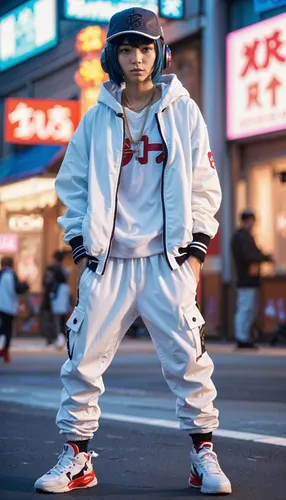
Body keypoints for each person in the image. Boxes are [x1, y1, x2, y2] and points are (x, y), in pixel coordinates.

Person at [35, 7, 231, 495]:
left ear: (160, 52)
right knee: (82, 361)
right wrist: (83, 253)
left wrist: (195, 254)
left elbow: (205, 186)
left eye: (145, 47)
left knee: (189, 359)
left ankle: (203, 455)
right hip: (109, 260)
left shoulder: (184, 112)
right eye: (126, 48)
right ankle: (78, 459)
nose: (137, 58)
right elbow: (72, 186)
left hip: (167, 262)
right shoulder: (97, 118)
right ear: (112, 56)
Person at [231, 209, 272, 348]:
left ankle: (245, 336)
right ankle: (241, 337)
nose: (252, 223)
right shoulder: (241, 237)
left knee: (250, 309)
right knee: (245, 308)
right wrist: (265, 257)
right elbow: (247, 255)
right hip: (245, 279)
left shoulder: (246, 236)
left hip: (250, 279)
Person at [0, 256, 29, 363]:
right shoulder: (11, 274)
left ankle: (5, 351)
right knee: (6, 329)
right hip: (8, 306)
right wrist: (25, 285)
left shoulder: (1, 274)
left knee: (5, 328)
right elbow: (16, 289)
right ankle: (5, 351)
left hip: (2, 305)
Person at [40, 251, 70, 348]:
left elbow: (45, 283)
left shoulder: (51, 270)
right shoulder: (64, 271)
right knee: (60, 319)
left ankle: (53, 339)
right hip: (59, 298)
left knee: (51, 320)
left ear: (54, 258)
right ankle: (59, 338)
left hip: (52, 298)